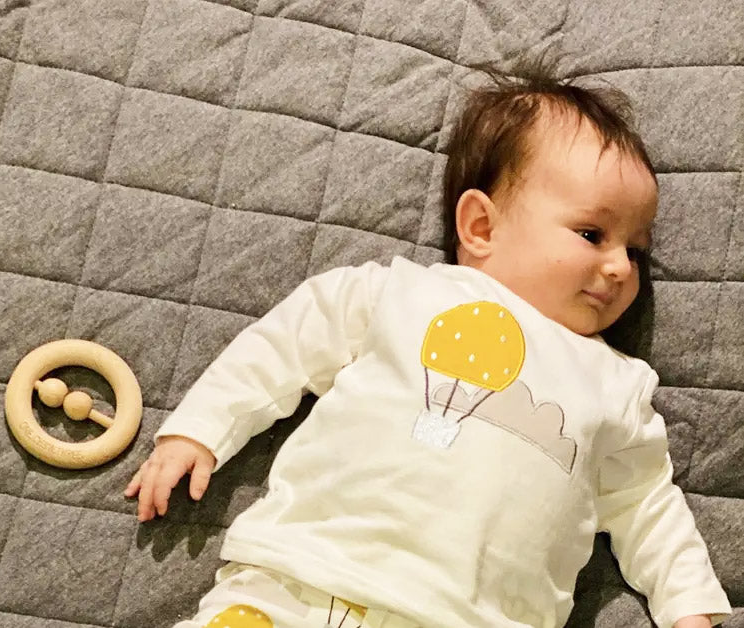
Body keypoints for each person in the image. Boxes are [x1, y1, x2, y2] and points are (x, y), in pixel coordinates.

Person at [124, 61, 731, 628]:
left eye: (637, 249)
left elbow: (645, 500)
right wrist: (199, 429)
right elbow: (286, 343)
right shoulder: (401, 294)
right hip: (303, 580)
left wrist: (686, 602)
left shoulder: (617, 385)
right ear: (482, 227)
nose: (622, 267)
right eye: (593, 233)